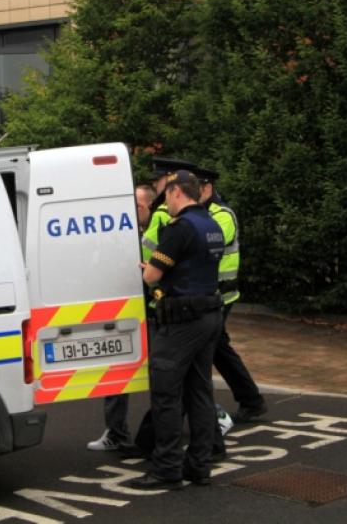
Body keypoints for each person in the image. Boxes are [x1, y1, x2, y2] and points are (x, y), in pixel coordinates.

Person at [130, 170, 224, 490]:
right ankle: (199, 466)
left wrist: (147, 269)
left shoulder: (180, 228)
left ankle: (167, 467)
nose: (165, 202)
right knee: (200, 393)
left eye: (166, 195)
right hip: (210, 315)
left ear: (176, 193)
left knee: (167, 395)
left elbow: (153, 276)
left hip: (181, 321)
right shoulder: (211, 224)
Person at [195, 166, 268, 424]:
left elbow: (206, 244)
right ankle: (251, 400)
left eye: (197, 187)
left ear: (208, 188)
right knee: (218, 347)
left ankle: (245, 402)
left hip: (221, 295)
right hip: (208, 295)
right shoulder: (197, 213)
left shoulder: (223, 214)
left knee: (211, 348)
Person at [87, 184, 156, 451]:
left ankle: (211, 417)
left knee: (168, 376)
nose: (133, 210)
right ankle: (116, 432)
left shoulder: (162, 230)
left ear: (150, 205)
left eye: (138, 205)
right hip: (123, 311)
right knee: (116, 372)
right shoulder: (119, 233)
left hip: (155, 313)